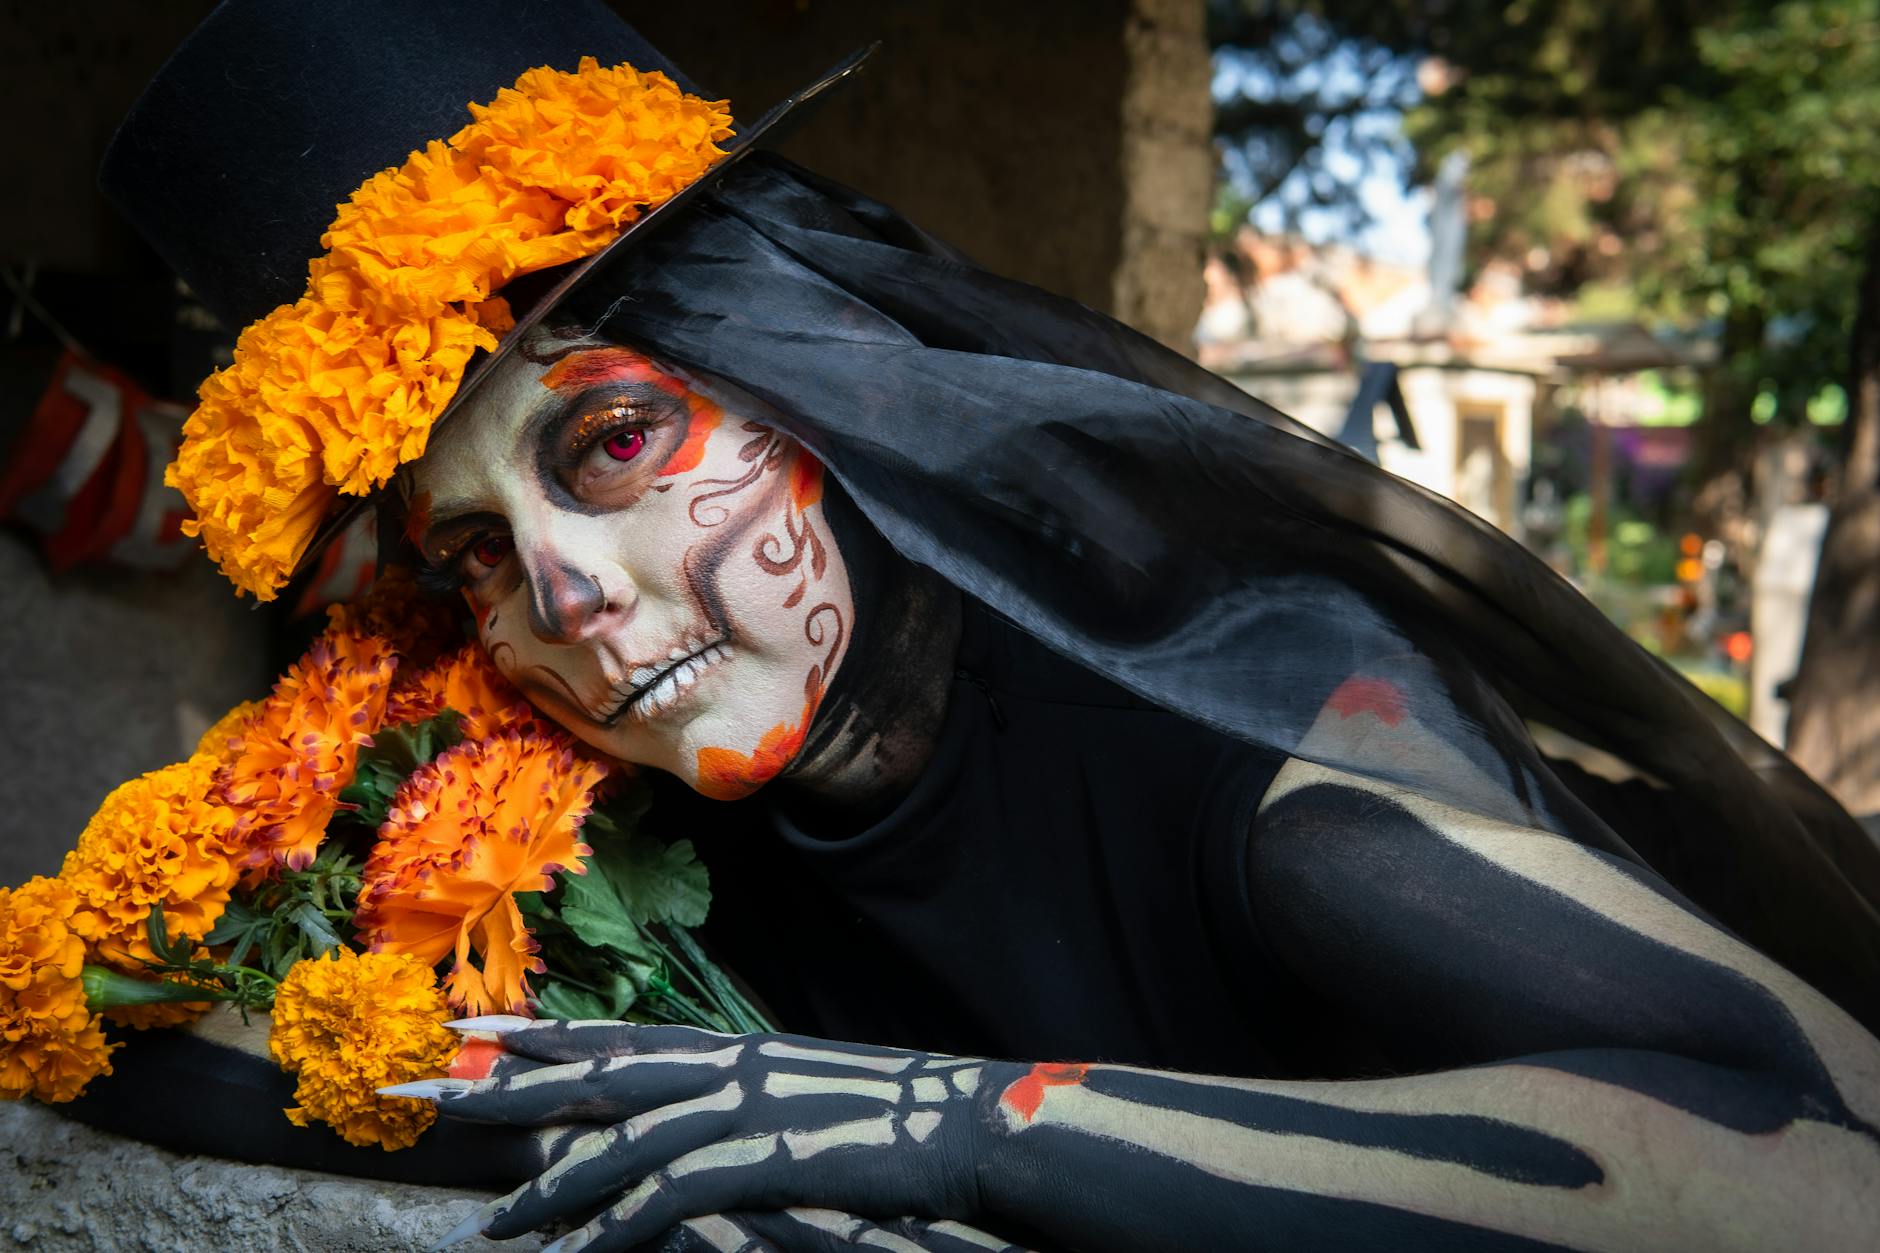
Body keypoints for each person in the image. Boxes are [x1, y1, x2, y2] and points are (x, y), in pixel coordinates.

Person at [93, 1, 1880, 1249]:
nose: (558, 597)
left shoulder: (1262, 754)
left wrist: (964, 1130)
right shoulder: (588, 837)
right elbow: (148, 1038)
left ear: (818, 386)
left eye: (614, 442)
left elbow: (1833, 1173)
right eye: (473, 549)